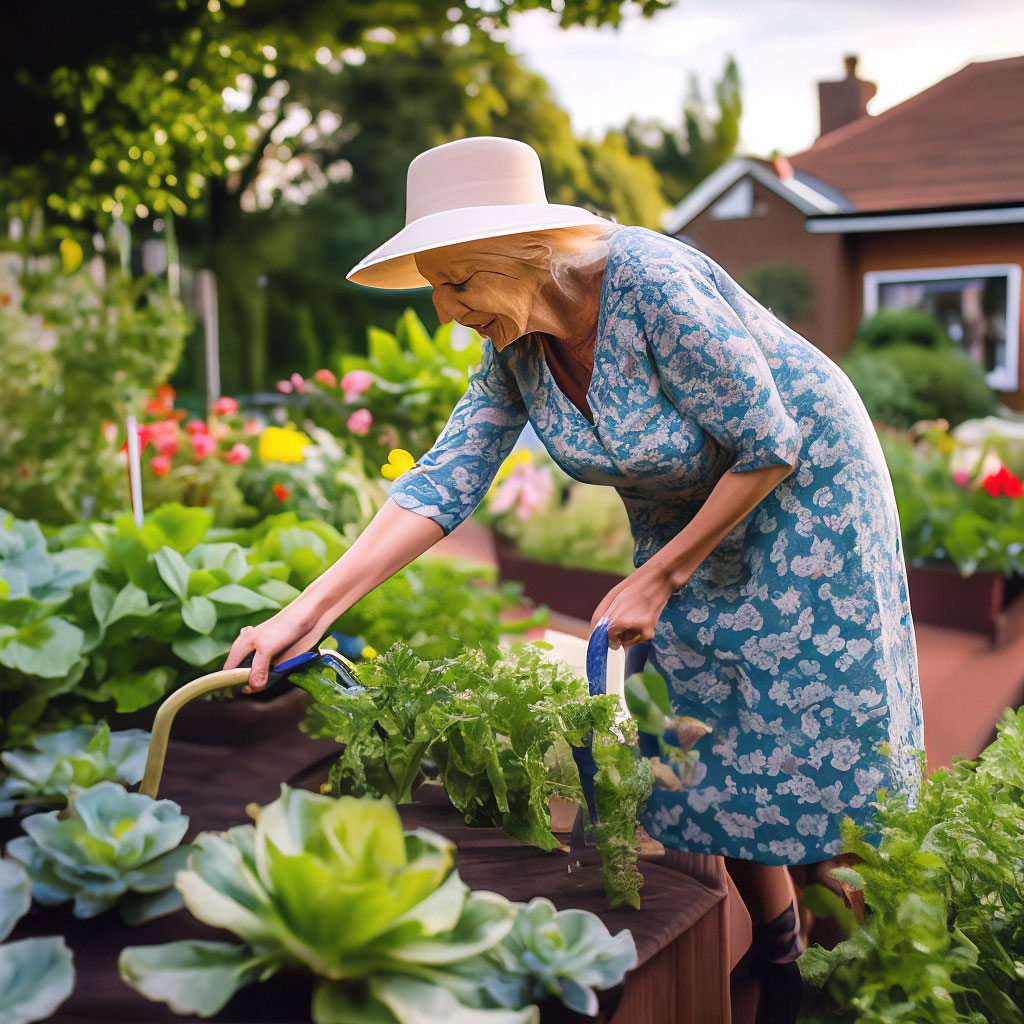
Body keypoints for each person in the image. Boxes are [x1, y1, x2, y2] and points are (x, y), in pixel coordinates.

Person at [224, 136, 926, 962]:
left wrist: (660, 576)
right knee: (698, 725)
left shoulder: (653, 283)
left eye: (457, 283)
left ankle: (848, 963)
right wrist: (305, 614)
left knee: (806, 739)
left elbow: (770, 439)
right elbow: (442, 479)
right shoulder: (517, 340)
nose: (447, 312)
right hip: (688, 513)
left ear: (527, 253)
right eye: (433, 289)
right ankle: (779, 945)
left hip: (807, 500)